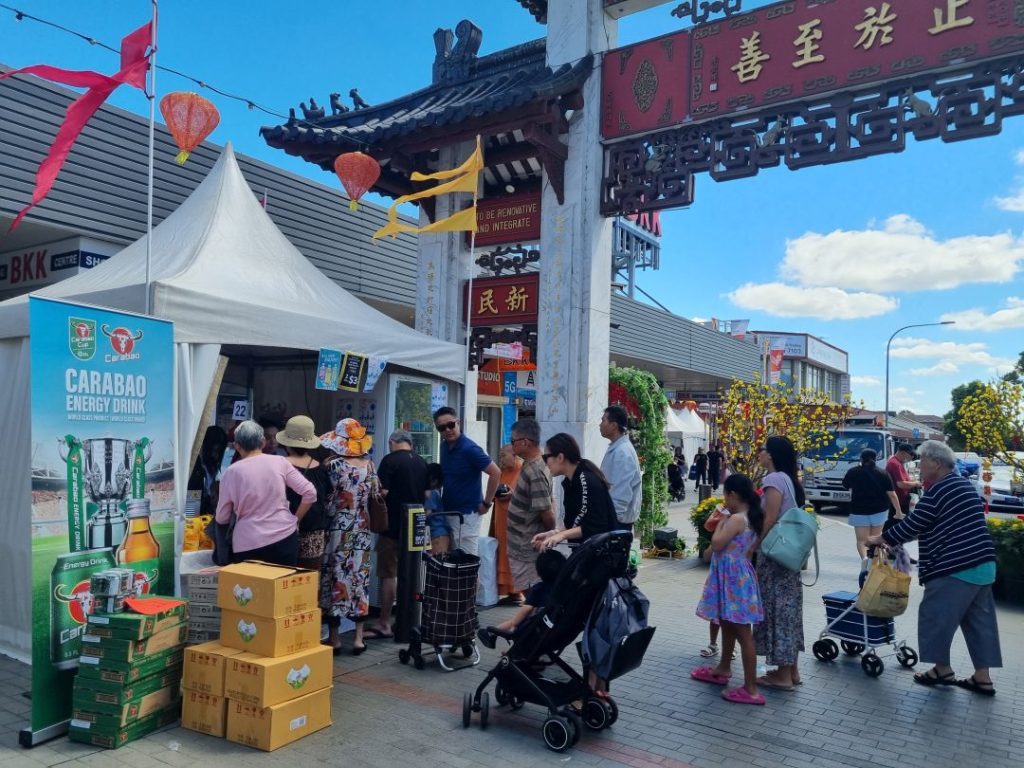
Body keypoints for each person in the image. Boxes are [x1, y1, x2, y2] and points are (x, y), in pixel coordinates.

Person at [868, 440, 1001, 695]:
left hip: (956, 566)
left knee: (935, 616)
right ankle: (982, 678)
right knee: (979, 623)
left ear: (937, 464)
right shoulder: (962, 484)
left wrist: (880, 539)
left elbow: (915, 523)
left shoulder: (941, 489)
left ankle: (942, 669)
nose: (920, 466)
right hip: (983, 565)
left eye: (924, 460)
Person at [691, 473, 765, 705]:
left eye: (725, 495)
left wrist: (721, 520)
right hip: (734, 577)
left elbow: (717, 543)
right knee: (727, 622)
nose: (724, 500)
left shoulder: (736, 519)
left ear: (732, 495)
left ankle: (751, 688)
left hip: (733, 579)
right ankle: (723, 668)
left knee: (743, 633)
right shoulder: (750, 516)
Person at [216, 420, 315, 567]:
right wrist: (296, 520)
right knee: (282, 588)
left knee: (250, 589)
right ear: (263, 442)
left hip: (247, 543)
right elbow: (310, 492)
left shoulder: (231, 473)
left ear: (237, 446)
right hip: (284, 538)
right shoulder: (280, 462)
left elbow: (222, 517)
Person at [320, 418, 378, 656]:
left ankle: (334, 639)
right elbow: (375, 494)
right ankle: (358, 639)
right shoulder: (370, 465)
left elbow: (328, 501)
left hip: (337, 531)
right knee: (359, 580)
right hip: (362, 530)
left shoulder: (333, 466)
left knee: (335, 579)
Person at [752, 435, 806, 690]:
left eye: (762, 450)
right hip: (789, 558)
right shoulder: (789, 479)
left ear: (771, 455)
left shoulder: (773, 479)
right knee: (789, 609)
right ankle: (791, 670)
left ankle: (783, 676)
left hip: (774, 556)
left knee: (777, 610)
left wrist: (753, 546)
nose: (759, 453)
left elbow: (770, 518)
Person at [372, 429, 428, 639]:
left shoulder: (390, 461)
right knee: (411, 573)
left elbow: (382, 492)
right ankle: (409, 620)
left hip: (392, 525)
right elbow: (427, 494)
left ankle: (384, 622)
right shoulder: (422, 462)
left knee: (389, 574)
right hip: (416, 526)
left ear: (391, 442)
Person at [531, 433, 618, 551]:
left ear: (560, 457)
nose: (545, 463)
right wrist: (553, 533)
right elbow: (573, 523)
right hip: (585, 552)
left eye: (546, 458)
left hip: (600, 555)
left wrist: (561, 535)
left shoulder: (586, 480)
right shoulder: (569, 481)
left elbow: (595, 525)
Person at [433, 406, 501, 556]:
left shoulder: (470, 448)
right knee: (452, 562)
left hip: (467, 515)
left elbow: (496, 472)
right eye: (442, 428)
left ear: (458, 422)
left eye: (451, 425)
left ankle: (473, 581)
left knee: (467, 562)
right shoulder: (444, 446)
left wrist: (487, 503)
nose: (448, 430)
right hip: (448, 511)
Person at [477, 549, 566, 650]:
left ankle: (491, 633)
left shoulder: (539, 588)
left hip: (536, 627)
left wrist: (514, 624)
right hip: (555, 628)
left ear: (538, 573)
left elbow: (526, 609)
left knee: (515, 621)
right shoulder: (563, 589)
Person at [506, 419, 555, 597]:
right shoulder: (532, 463)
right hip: (521, 543)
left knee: (533, 595)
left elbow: (547, 513)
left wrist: (549, 537)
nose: (511, 446)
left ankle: (539, 622)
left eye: (513, 442)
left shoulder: (536, 471)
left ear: (525, 442)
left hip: (526, 546)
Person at [278, 415, 332, 572]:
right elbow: (327, 498)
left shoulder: (280, 466)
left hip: (284, 531)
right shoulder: (321, 469)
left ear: (287, 444)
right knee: (309, 580)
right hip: (314, 533)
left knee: (284, 577)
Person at [842, 449, 902, 564]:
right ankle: (872, 564)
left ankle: (864, 559)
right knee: (876, 539)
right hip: (879, 511)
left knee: (861, 540)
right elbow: (892, 494)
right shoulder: (883, 473)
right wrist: (898, 511)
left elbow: (846, 485)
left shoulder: (853, 472)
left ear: (861, 459)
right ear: (875, 459)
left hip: (858, 510)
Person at [599, 406, 642, 530]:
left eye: (603, 421)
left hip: (616, 522)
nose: (600, 424)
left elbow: (620, 492)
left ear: (613, 425)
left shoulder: (622, 452)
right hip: (613, 519)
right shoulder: (617, 448)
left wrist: (611, 521)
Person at [490, 444, 521, 601]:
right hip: (500, 518)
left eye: (503, 456)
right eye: (500, 456)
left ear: (514, 455)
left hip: (516, 522)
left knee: (513, 554)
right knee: (502, 553)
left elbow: (527, 495)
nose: (500, 459)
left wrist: (513, 494)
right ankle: (509, 592)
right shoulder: (502, 472)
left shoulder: (523, 471)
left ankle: (518, 592)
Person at [187, 425, 227, 516]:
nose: (216, 456)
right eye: (214, 451)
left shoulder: (211, 468)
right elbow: (191, 510)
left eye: (219, 453)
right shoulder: (195, 470)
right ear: (205, 446)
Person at [885, 443, 921, 527]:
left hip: (899, 499)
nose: (911, 457)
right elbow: (901, 484)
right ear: (903, 453)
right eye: (910, 454)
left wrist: (912, 481)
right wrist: (915, 483)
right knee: (898, 524)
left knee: (897, 523)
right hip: (898, 499)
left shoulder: (897, 462)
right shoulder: (895, 464)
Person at [423, 463, 448, 553]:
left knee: (434, 565)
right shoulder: (436, 492)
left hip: (437, 536)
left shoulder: (432, 493)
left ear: (434, 480)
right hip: (438, 534)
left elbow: (427, 513)